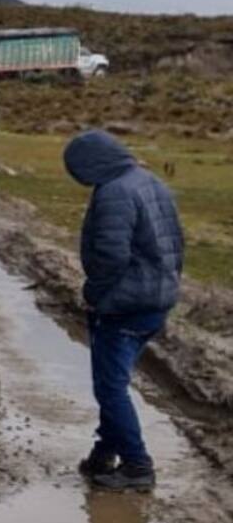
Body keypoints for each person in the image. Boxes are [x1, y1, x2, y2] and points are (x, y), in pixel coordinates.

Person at [65, 130, 183, 491]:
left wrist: (93, 293)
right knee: (113, 380)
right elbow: (176, 241)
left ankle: (137, 467)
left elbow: (111, 256)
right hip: (155, 299)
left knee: (111, 388)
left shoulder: (115, 192)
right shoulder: (149, 182)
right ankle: (104, 454)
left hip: (125, 304)